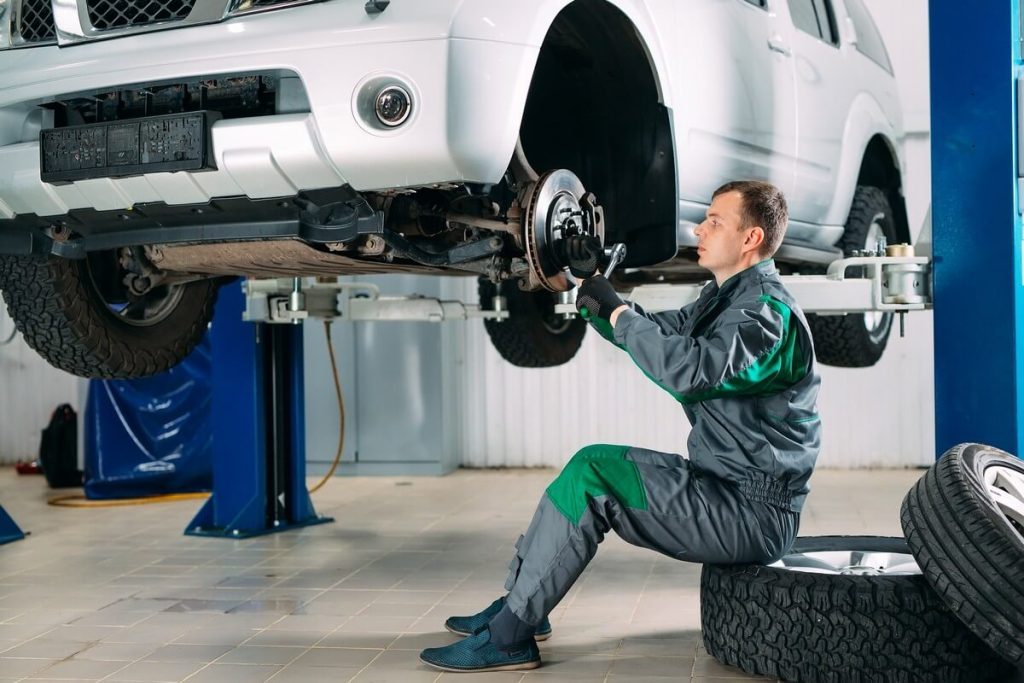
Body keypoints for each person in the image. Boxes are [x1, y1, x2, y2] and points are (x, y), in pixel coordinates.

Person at [419, 180, 821, 673]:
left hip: (752, 512)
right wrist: (593, 288)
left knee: (595, 474)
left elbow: (691, 371)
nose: (700, 228)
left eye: (715, 221)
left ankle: (509, 639)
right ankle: (520, 605)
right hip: (722, 488)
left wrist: (617, 309)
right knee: (588, 466)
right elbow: (658, 330)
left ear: (751, 238)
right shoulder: (725, 299)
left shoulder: (766, 316)